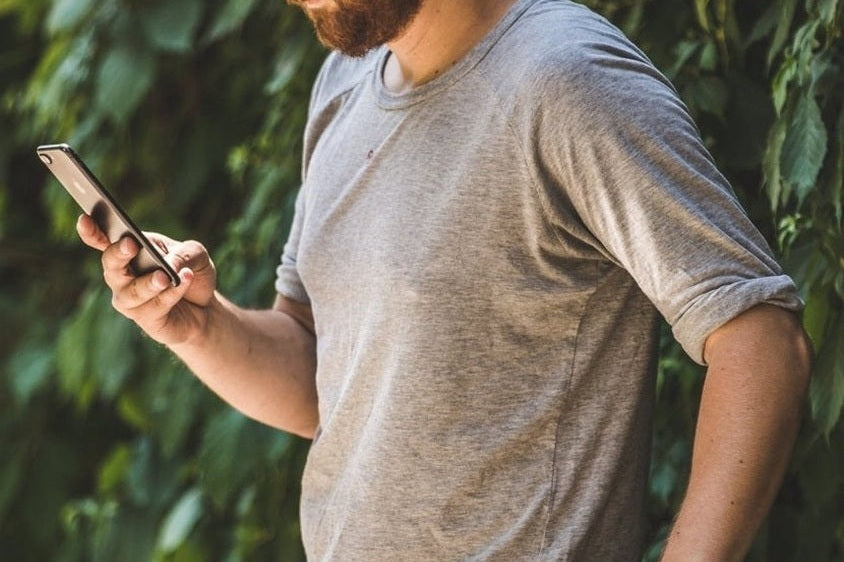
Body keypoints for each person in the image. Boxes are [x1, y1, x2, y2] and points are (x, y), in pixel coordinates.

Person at [77, 0, 812, 559]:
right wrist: (199, 326)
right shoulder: (343, 84)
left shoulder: (564, 77)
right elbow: (321, 382)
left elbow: (760, 338)